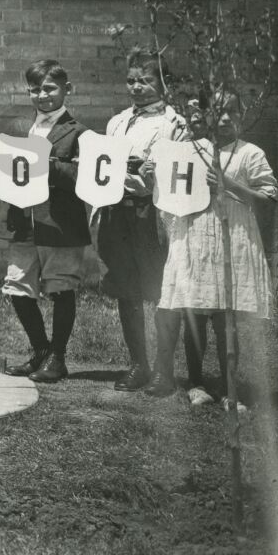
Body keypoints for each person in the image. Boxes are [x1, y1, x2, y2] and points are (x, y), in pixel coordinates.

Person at [152, 89, 277, 404]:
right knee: (194, 310)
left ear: (240, 115)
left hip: (231, 238)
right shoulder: (192, 150)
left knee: (226, 318)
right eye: (216, 112)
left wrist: (229, 184)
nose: (223, 119)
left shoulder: (250, 153)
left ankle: (229, 388)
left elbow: (268, 199)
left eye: (230, 112)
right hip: (195, 238)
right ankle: (197, 384)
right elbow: (171, 190)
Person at [97, 47, 196, 393]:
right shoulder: (118, 122)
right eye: (132, 81)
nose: (137, 87)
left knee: (160, 291)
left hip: (153, 214)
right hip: (118, 211)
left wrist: (153, 171)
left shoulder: (176, 124)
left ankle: (163, 370)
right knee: (127, 289)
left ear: (163, 83)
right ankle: (138, 363)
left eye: (146, 80)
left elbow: (179, 172)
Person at [0, 59, 90, 384]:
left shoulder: (79, 132)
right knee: (18, 287)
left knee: (61, 287)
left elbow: (85, 178)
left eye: (50, 88)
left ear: (67, 89)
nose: (43, 95)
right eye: (35, 89)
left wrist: (48, 163)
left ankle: (58, 356)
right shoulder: (22, 128)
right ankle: (40, 349)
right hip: (25, 219)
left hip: (61, 222)